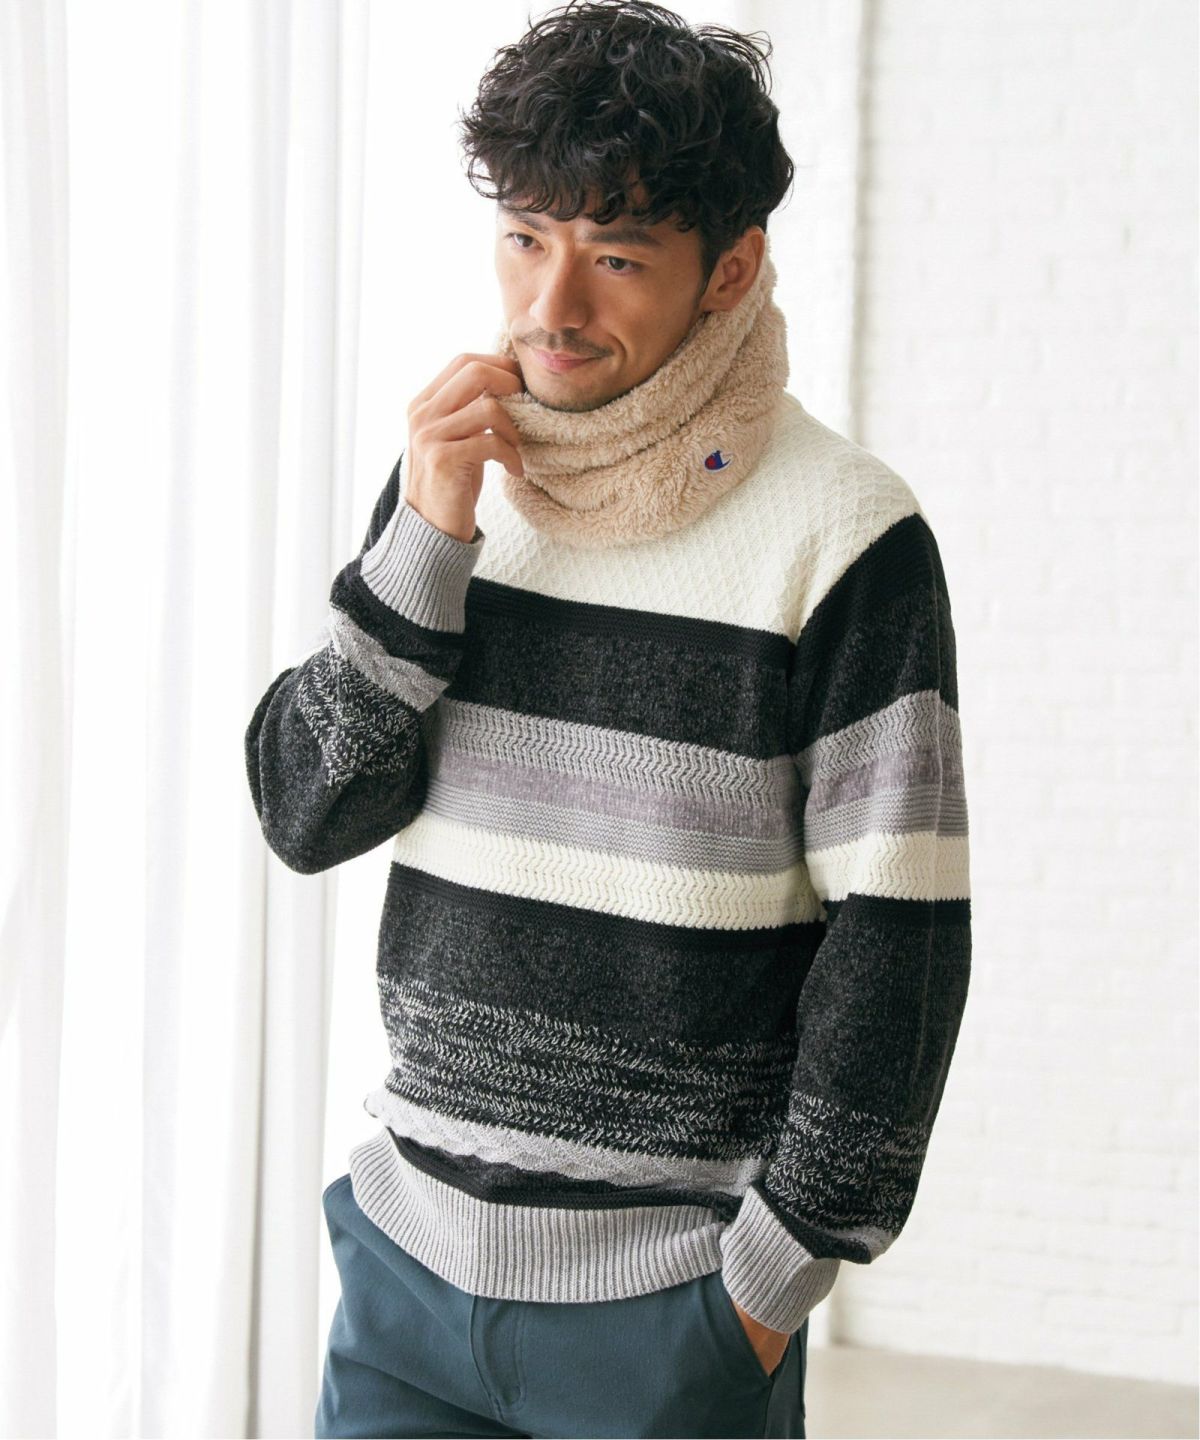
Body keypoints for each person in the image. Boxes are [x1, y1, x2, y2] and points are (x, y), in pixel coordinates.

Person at [243, 2, 972, 1435]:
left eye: (616, 256)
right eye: (525, 237)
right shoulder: (454, 488)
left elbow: (900, 945)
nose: (551, 305)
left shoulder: (846, 538)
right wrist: (422, 548)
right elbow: (303, 811)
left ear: (731, 268)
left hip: (672, 1313)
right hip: (406, 1280)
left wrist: (767, 1286)